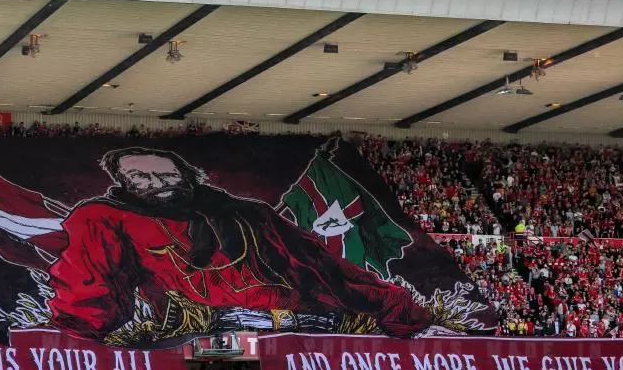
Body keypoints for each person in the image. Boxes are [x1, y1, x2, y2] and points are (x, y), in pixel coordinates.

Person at [46, 147, 433, 346]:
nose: (156, 182)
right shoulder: (101, 217)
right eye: (139, 176)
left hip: (301, 335)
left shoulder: (249, 214)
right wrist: (81, 337)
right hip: (193, 342)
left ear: (187, 175)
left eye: (166, 174)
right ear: (122, 182)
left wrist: (397, 308)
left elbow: (323, 266)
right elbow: (87, 293)